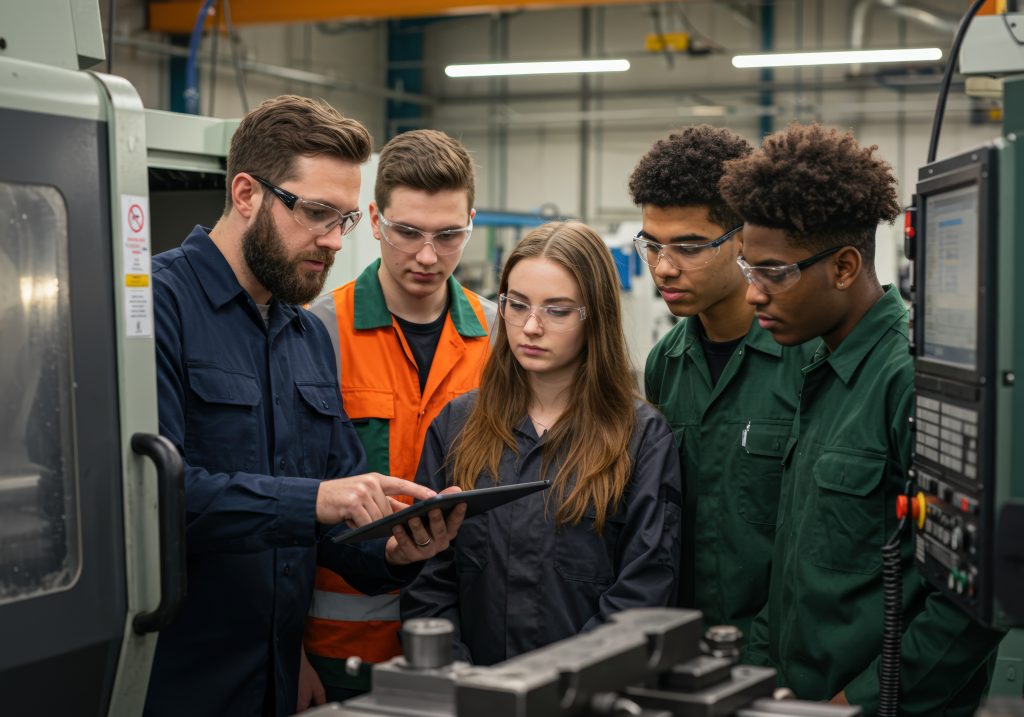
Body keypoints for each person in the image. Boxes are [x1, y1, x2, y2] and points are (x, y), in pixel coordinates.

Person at [146, 95, 464, 717]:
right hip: (179, 681)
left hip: (278, 677)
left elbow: (335, 517)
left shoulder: (306, 334)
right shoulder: (156, 309)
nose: (335, 241)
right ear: (246, 194)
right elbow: (152, 504)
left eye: (345, 219)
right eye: (317, 213)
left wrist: (395, 550)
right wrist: (315, 500)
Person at [720, 122, 1005, 715]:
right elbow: (794, 562)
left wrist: (860, 703)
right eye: (749, 271)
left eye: (773, 273)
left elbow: (969, 603)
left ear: (845, 268)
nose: (753, 295)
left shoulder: (910, 380)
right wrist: (762, 677)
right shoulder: (818, 364)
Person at [400, 221, 682, 665]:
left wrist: (551, 687)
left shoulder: (640, 438)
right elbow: (428, 582)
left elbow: (642, 595)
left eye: (557, 310)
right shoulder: (457, 427)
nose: (530, 327)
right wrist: (463, 682)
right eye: (517, 305)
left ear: (595, 318)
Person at [302, 129, 494, 702]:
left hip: (469, 640)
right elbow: (286, 501)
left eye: (449, 234)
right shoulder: (317, 332)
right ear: (375, 219)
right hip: (344, 650)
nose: (428, 256)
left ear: (471, 223)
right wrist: (287, 651)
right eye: (408, 232)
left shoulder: (501, 338)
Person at [629, 125, 813, 639]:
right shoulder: (667, 362)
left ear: (742, 240)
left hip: (784, 655)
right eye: (652, 246)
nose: (663, 269)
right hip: (689, 647)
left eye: (689, 247)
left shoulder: (808, 359)